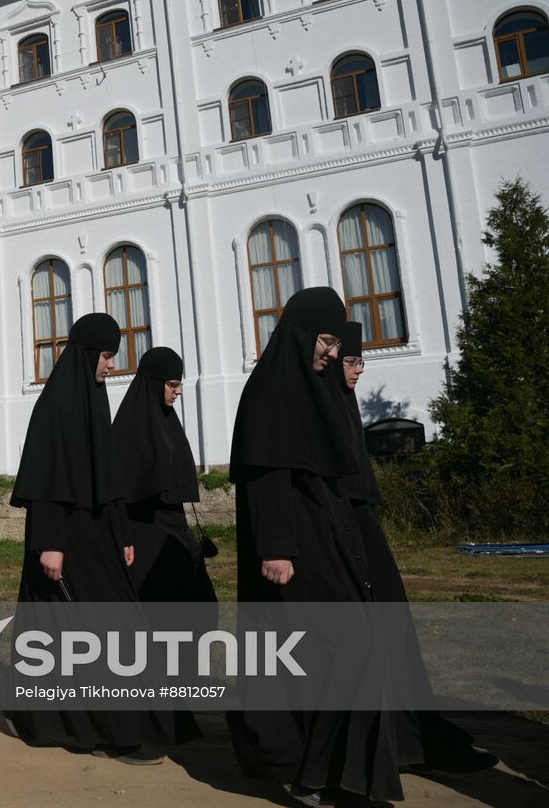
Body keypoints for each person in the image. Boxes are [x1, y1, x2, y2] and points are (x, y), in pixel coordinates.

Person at [225, 288, 403, 805]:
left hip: (328, 535)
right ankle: (315, 774)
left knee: (355, 649)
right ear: (303, 334)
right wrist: (276, 548)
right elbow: (268, 475)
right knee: (347, 649)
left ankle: (332, 776)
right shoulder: (270, 391)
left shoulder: (313, 388)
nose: (331, 351)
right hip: (294, 547)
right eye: (326, 340)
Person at [2, 314, 196, 764]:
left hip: (99, 536)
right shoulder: (56, 407)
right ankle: (115, 730)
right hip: (64, 539)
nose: (111, 366)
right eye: (108, 357)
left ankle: (60, 715)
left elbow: (109, 479)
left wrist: (122, 532)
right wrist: (50, 542)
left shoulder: (95, 401)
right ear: (90, 354)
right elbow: (48, 480)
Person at [324, 324, 495, 777]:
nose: (358, 371)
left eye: (362, 362)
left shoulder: (342, 403)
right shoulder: (317, 410)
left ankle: (415, 737)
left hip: (363, 528)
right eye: (350, 362)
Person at [113, 347, 217, 603]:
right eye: (172, 384)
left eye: (179, 384)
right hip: (144, 536)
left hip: (173, 530)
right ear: (155, 383)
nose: (178, 391)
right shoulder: (130, 427)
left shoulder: (167, 420)